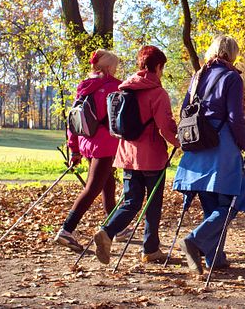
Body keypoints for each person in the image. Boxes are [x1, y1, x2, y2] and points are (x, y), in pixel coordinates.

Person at [173, 35, 245, 275]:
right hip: (223, 146)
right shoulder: (232, 78)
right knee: (235, 200)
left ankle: (215, 258)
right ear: (233, 54)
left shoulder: (197, 76)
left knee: (211, 204)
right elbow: (235, 119)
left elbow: (184, 111)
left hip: (197, 146)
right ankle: (195, 240)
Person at [93, 46, 180, 264]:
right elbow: (165, 126)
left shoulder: (125, 89)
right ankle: (150, 249)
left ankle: (107, 231)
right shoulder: (158, 93)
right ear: (158, 66)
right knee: (153, 203)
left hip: (127, 155)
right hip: (152, 156)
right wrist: (180, 142)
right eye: (162, 68)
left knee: (131, 201)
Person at [55, 49, 123, 252]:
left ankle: (115, 228)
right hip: (105, 144)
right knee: (92, 188)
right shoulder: (114, 87)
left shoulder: (85, 87)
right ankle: (66, 230)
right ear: (109, 67)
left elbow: (73, 119)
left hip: (88, 143)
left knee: (107, 184)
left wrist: (74, 149)